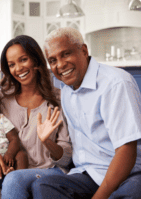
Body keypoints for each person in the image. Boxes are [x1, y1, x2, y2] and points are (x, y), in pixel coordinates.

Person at [0, 35, 72, 199]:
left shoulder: (58, 101)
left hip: (47, 170)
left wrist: (47, 141)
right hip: (8, 168)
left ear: (35, 60)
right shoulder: (1, 100)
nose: (18, 68)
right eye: (12, 65)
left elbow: (66, 159)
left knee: (14, 179)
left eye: (23, 59)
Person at [32, 27, 141, 199]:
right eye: (52, 60)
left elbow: (126, 151)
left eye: (66, 54)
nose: (60, 65)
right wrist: (48, 142)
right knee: (43, 186)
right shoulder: (67, 89)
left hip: (129, 173)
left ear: (83, 51)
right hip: (90, 173)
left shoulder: (115, 83)